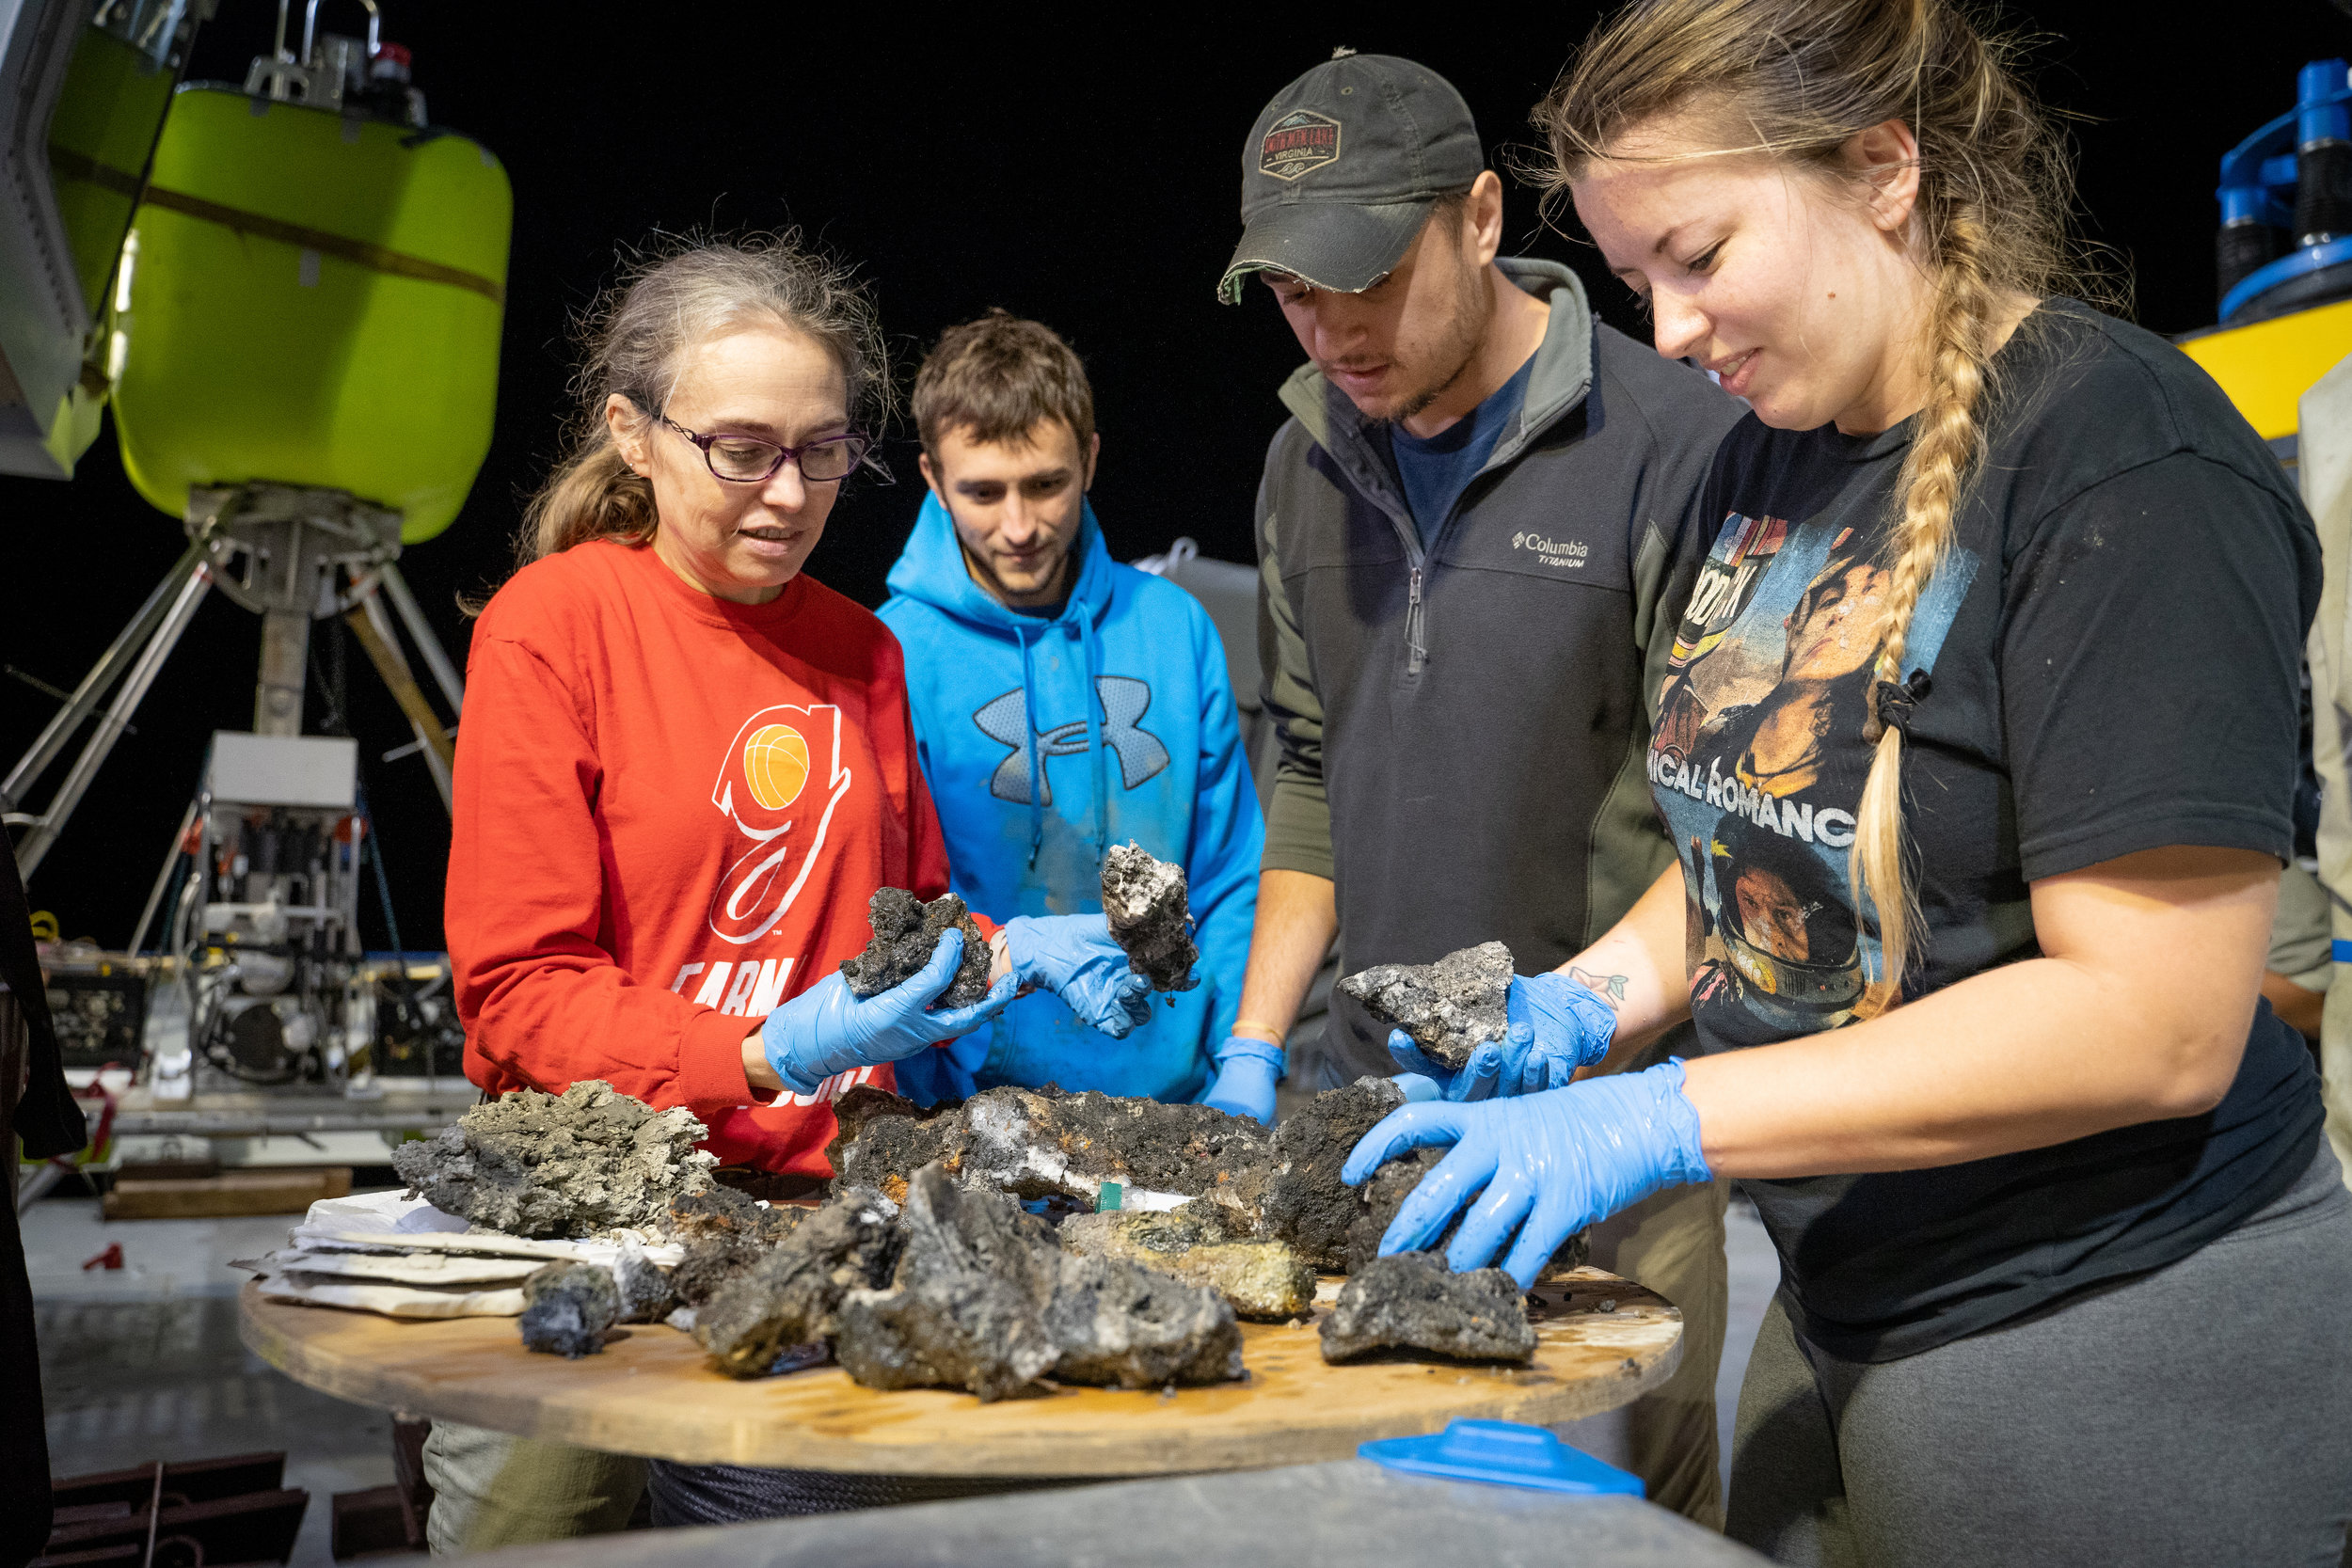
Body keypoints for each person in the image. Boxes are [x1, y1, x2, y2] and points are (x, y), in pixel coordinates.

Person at [1345, 4, 2352, 1562]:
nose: (1669, 331)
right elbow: (1774, 830)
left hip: (2111, 1319)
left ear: (1882, 168)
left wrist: (1666, 1113)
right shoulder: (1771, 455)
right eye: (1633, 283)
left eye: (1697, 254)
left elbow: (2155, 1022)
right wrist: (1587, 1005)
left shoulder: (2120, 459)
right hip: (1837, 1286)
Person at [433, 236, 1149, 1545]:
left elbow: (906, 928)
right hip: (592, 1211)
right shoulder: (553, 625)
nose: (789, 492)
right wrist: (762, 1048)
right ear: (633, 434)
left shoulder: (860, 651)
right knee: (535, 1524)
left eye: (823, 450)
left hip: (814, 1215)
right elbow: (518, 996)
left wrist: (1000, 956)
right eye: (743, 448)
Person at [1206, 51, 1745, 1523]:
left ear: (1481, 215)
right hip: (1357, 1121)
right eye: (1293, 292)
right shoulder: (1298, 464)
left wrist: (1581, 1012)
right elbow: (1307, 770)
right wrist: (1256, 1046)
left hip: (1605, 1139)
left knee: (1616, 1526)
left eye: (1363, 276)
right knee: (1364, 1523)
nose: (1331, 328)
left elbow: (1733, 815)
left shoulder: (1675, 443)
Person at [879, 310, 1263, 1104]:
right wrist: (939, 1085)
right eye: (982, 492)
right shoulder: (892, 654)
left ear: (1088, 459)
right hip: (973, 1099)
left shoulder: (1173, 627)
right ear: (931, 479)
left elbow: (1229, 872)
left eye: (1046, 484)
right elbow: (895, 911)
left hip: (1176, 1095)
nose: (1018, 527)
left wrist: (1242, 1057)